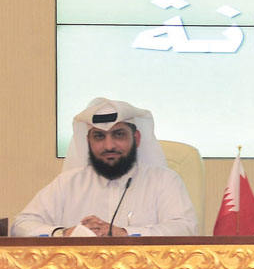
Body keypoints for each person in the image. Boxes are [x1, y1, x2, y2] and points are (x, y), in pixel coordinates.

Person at [12, 98, 198, 237]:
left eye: (118, 134)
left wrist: (124, 233)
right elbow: (20, 226)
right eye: (99, 136)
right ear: (88, 142)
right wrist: (66, 233)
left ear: (137, 138)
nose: (109, 145)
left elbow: (185, 228)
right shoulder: (68, 183)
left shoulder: (164, 180)